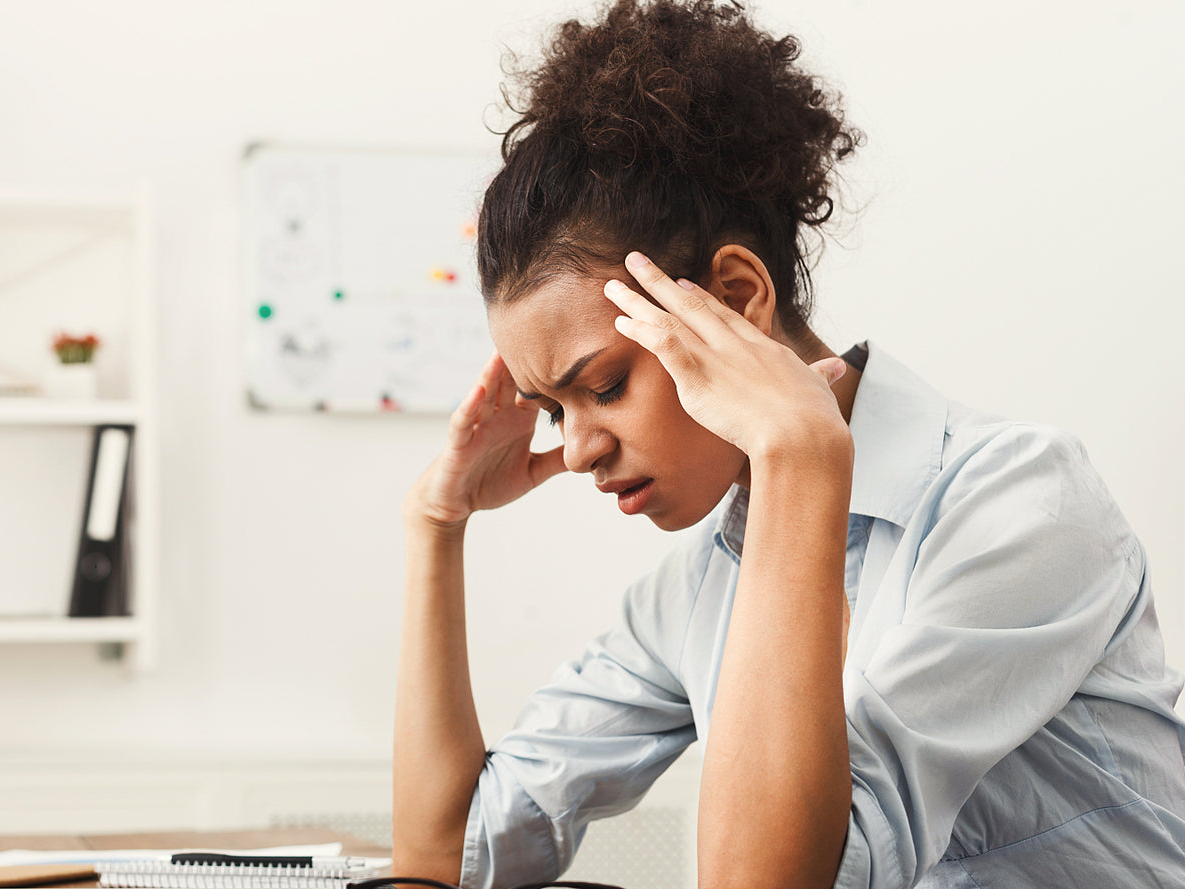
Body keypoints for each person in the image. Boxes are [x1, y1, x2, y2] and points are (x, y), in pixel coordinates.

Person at [390, 1, 1185, 887]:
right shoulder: (695, 590)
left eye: (604, 386)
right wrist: (438, 522)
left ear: (734, 297)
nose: (576, 451)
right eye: (550, 410)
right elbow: (446, 857)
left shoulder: (1020, 502)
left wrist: (798, 453)